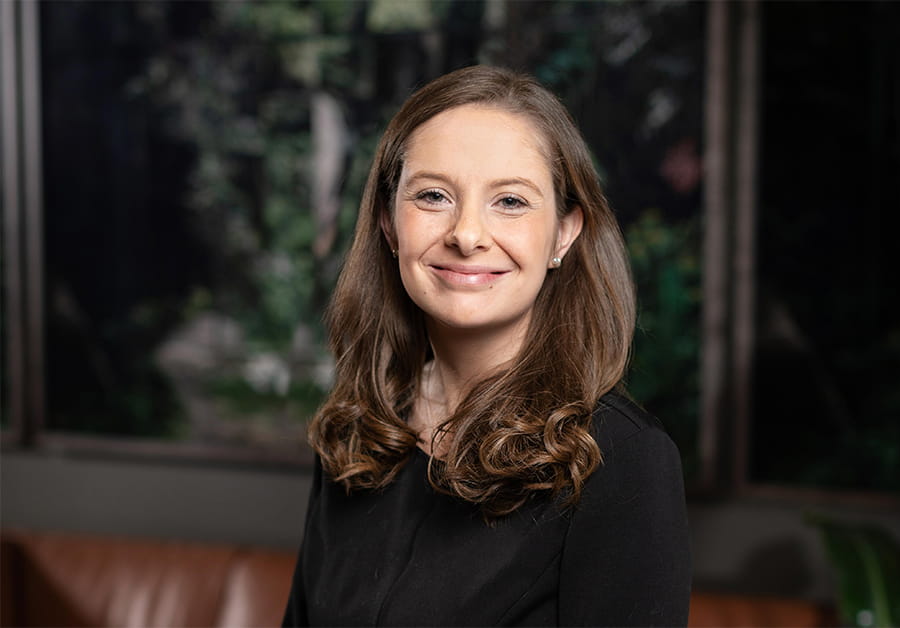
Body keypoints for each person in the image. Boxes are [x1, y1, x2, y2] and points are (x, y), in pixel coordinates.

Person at [282, 65, 691, 627]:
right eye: (433, 195)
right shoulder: (356, 429)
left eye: (511, 202)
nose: (467, 234)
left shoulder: (622, 459)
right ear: (388, 220)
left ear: (565, 233)